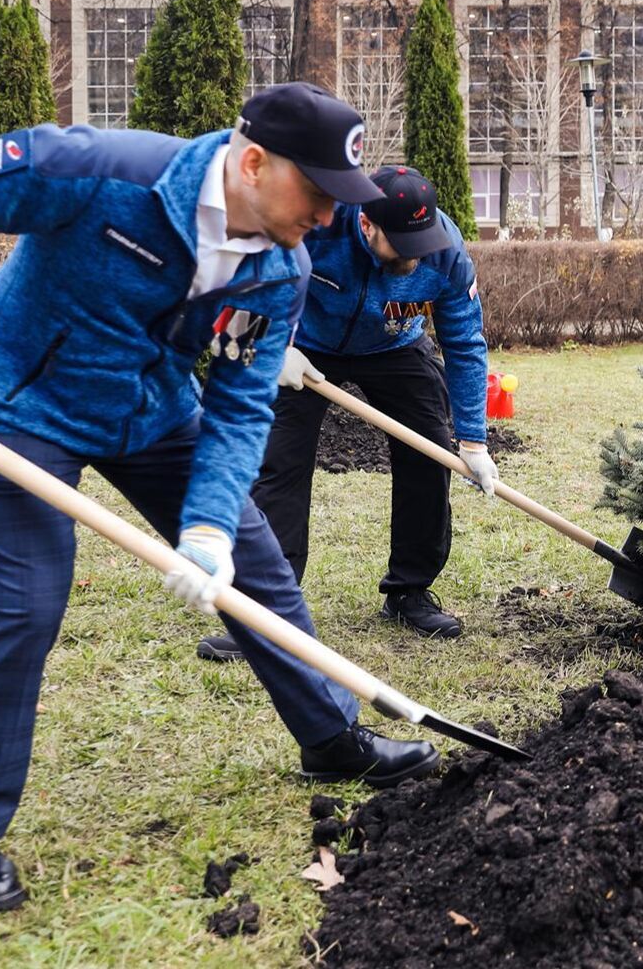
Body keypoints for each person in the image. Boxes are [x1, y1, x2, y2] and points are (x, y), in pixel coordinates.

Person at [0, 83, 441, 918]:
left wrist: (205, 525)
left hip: (155, 415)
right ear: (254, 161)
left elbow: (239, 404)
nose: (331, 219)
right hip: (24, 408)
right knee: (25, 606)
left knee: (256, 568)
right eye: (317, 194)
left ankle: (330, 737)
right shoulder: (101, 173)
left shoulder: (282, 266)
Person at [196, 166, 494, 659]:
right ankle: (266, 613)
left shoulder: (443, 249)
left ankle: (409, 591)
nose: (415, 253)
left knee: (429, 454)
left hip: (395, 347)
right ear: (367, 224)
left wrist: (474, 442)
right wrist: (272, 350)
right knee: (279, 465)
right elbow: (241, 282)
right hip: (305, 347)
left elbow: (464, 341)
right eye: (401, 241)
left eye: (420, 240)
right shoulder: (318, 223)